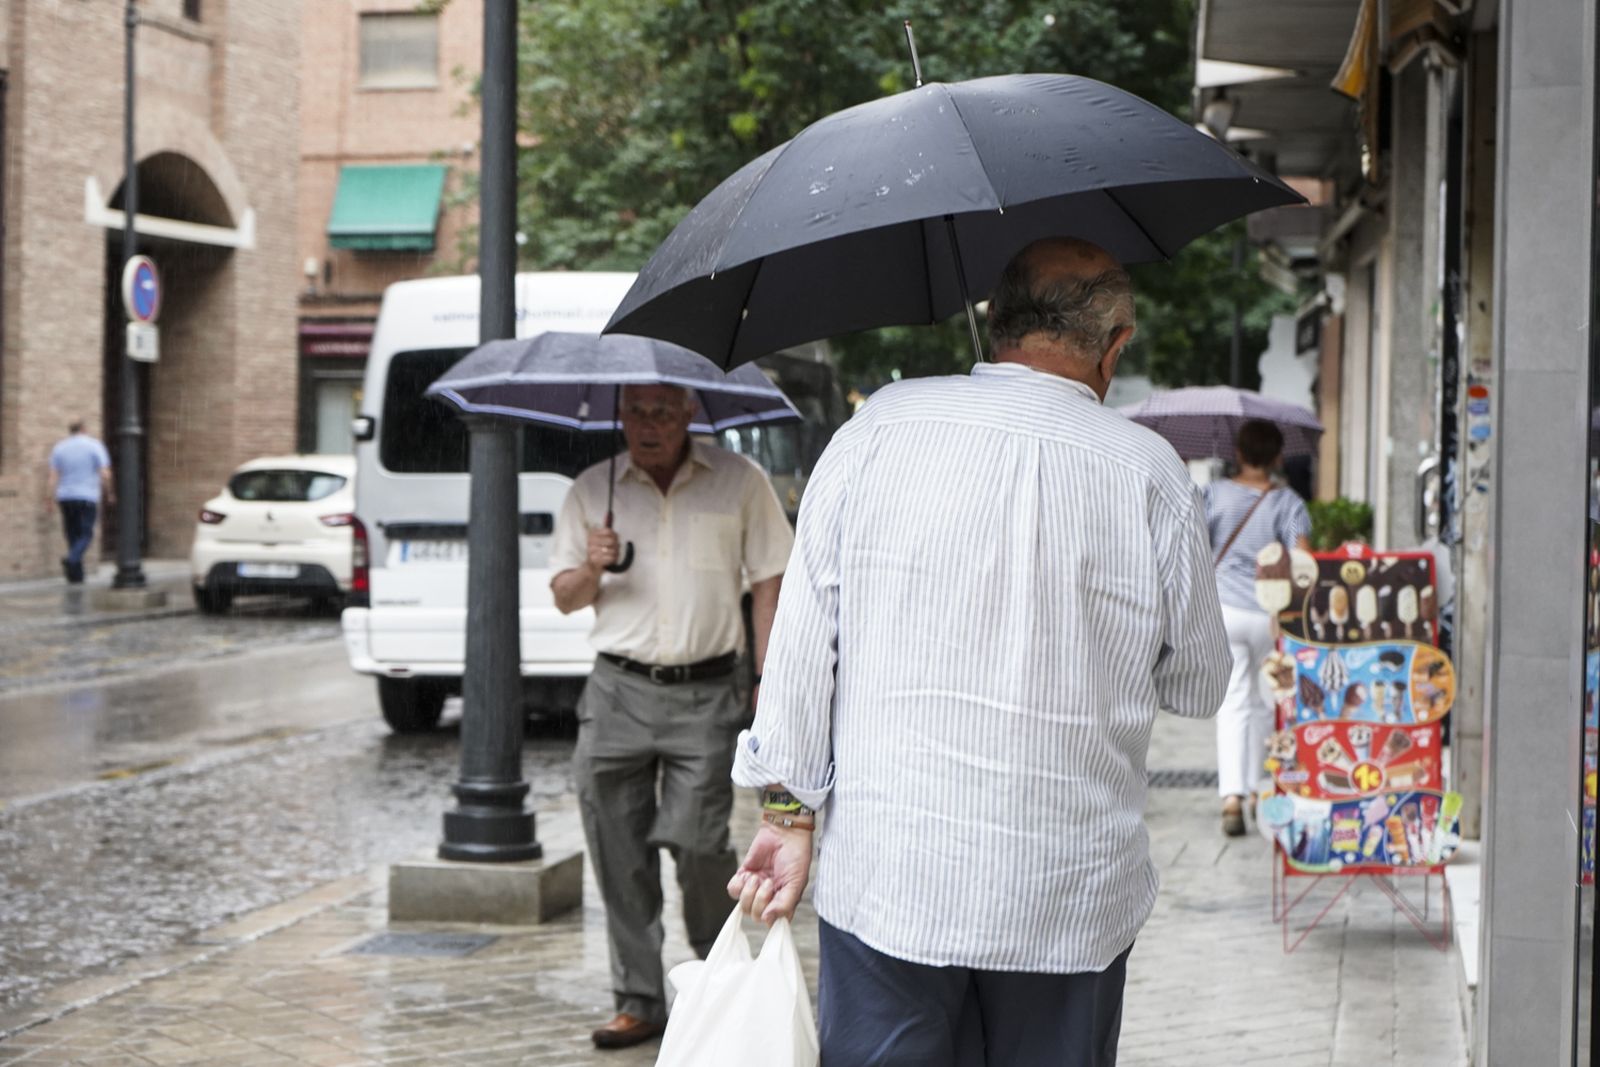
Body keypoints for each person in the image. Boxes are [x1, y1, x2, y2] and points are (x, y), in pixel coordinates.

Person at [726, 237, 1231, 1066]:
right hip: (1066, 890)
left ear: (997, 324)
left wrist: (787, 814)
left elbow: (803, 645)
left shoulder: (879, 425)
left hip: (892, 878)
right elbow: (1200, 683)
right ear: (1115, 347)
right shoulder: (1150, 472)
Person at [549, 383, 793, 1051]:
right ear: (620, 414)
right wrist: (592, 566)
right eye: (636, 410)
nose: (648, 423)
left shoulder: (739, 480)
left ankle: (719, 980)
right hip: (616, 691)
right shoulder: (592, 489)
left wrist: (768, 679)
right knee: (617, 850)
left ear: (689, 412)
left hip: (705, 692)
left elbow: (770, 581)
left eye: (663, 410)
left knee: (699, 842)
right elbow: (565, 596)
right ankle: (638, 999)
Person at [1202, 419, 1311, 836]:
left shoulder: (1213, 494)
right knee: (1266, 703)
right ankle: (1256, 790)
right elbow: (1302, 558)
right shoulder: (1289, 503)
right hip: (1270, 614)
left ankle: (1230, 796)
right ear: (1278, 457)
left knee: (1233, 703)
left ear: (1239, 453)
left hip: (1225, 611)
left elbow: (1195, 545)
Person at [45, 420, 113, 584]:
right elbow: (105, 473)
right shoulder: (94, 445)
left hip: (65, 496)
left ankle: (76, 575)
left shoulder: (59, 447)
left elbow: (53, 476)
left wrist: (48, 498)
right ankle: (72, 559)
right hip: (87, 496)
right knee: (86, 533)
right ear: (84, 429)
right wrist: (110, 492)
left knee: (72, 534)